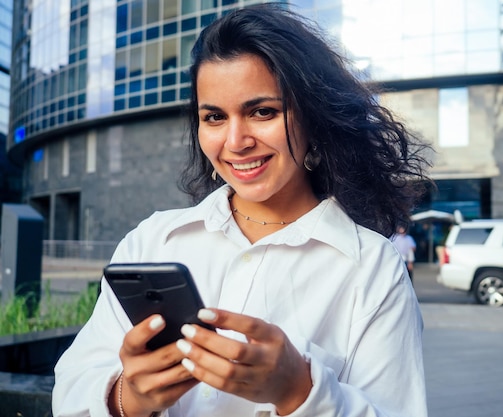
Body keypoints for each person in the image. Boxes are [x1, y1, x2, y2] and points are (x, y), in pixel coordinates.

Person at [52, 4, 432, 417]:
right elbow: (71, 389)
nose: (235, 141)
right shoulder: (153, 241)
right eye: (214, 117)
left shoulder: (371, 269)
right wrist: (128, 397)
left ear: (314, 120)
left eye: (262, 112)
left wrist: (299, 392)